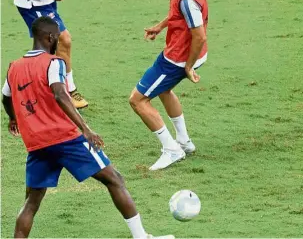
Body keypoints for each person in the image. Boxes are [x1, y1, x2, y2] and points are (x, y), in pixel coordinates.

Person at [1, 16, 174, 239]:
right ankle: (141, 237)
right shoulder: (53, 63)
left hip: (36, 144)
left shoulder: (14, 67)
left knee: (32, 201)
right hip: (66, 139)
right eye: (56, 38)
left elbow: (5, 97)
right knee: (114, 179)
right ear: (50, 37)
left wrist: (13, 118)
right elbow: (61, 94)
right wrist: (85, 128)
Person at [129, 0, 208, 171]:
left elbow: (200, 36)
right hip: (184, 53)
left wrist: (188, 66)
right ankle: (183, 141)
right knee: (164, 90)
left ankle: (172, 150)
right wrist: (160, 26)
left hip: (178, 58)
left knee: (137, 100)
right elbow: (177, 16)